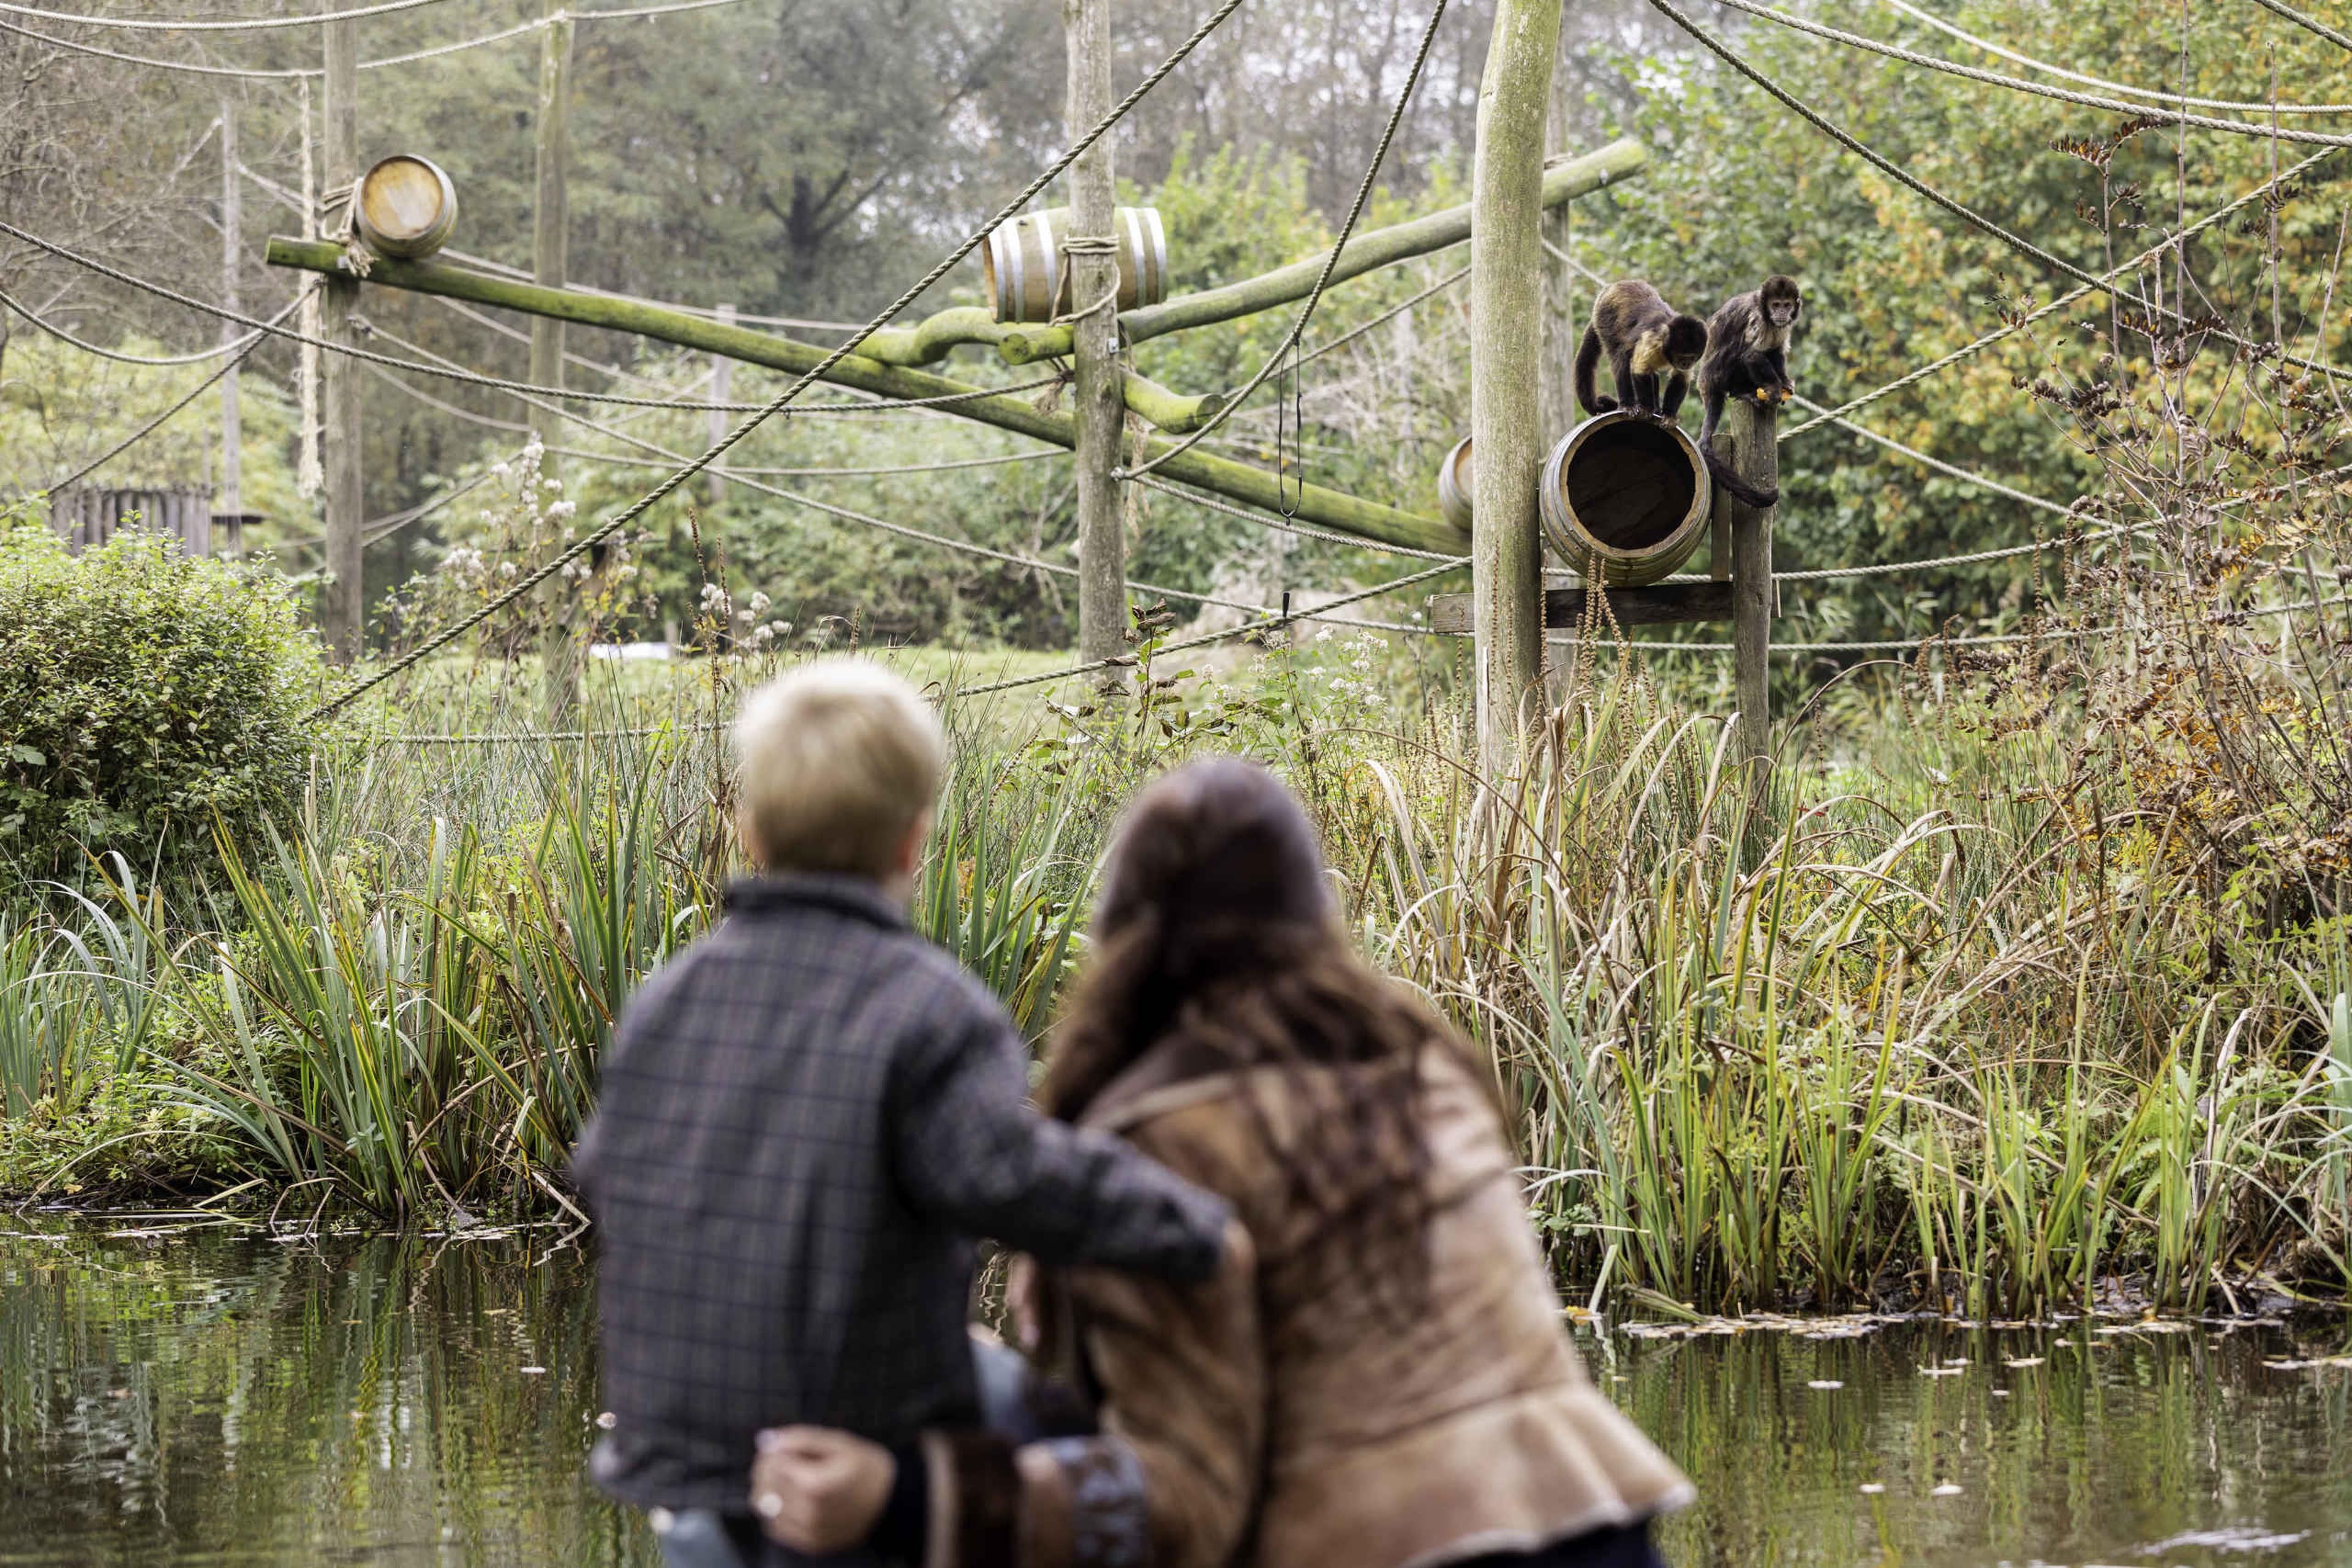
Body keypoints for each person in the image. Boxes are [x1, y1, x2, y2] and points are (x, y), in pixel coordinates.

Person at [749, 757, 1693, 1568]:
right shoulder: (1422, 1070)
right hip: (1596, 1523)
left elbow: (1177, 1504)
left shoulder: (1158, 1136)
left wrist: (907, 1498)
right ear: (1313, 915)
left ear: (1123, 934)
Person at [570, 660, 1232, 1568]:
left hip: (689, 1475)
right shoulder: (929, 1008)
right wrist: (1198, 1227)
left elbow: (604, 1170)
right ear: (914, 842)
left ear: (750, 832)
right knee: (1102, 1463)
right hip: (853, 1478)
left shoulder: (665, 1001)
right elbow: (1014, 1177)